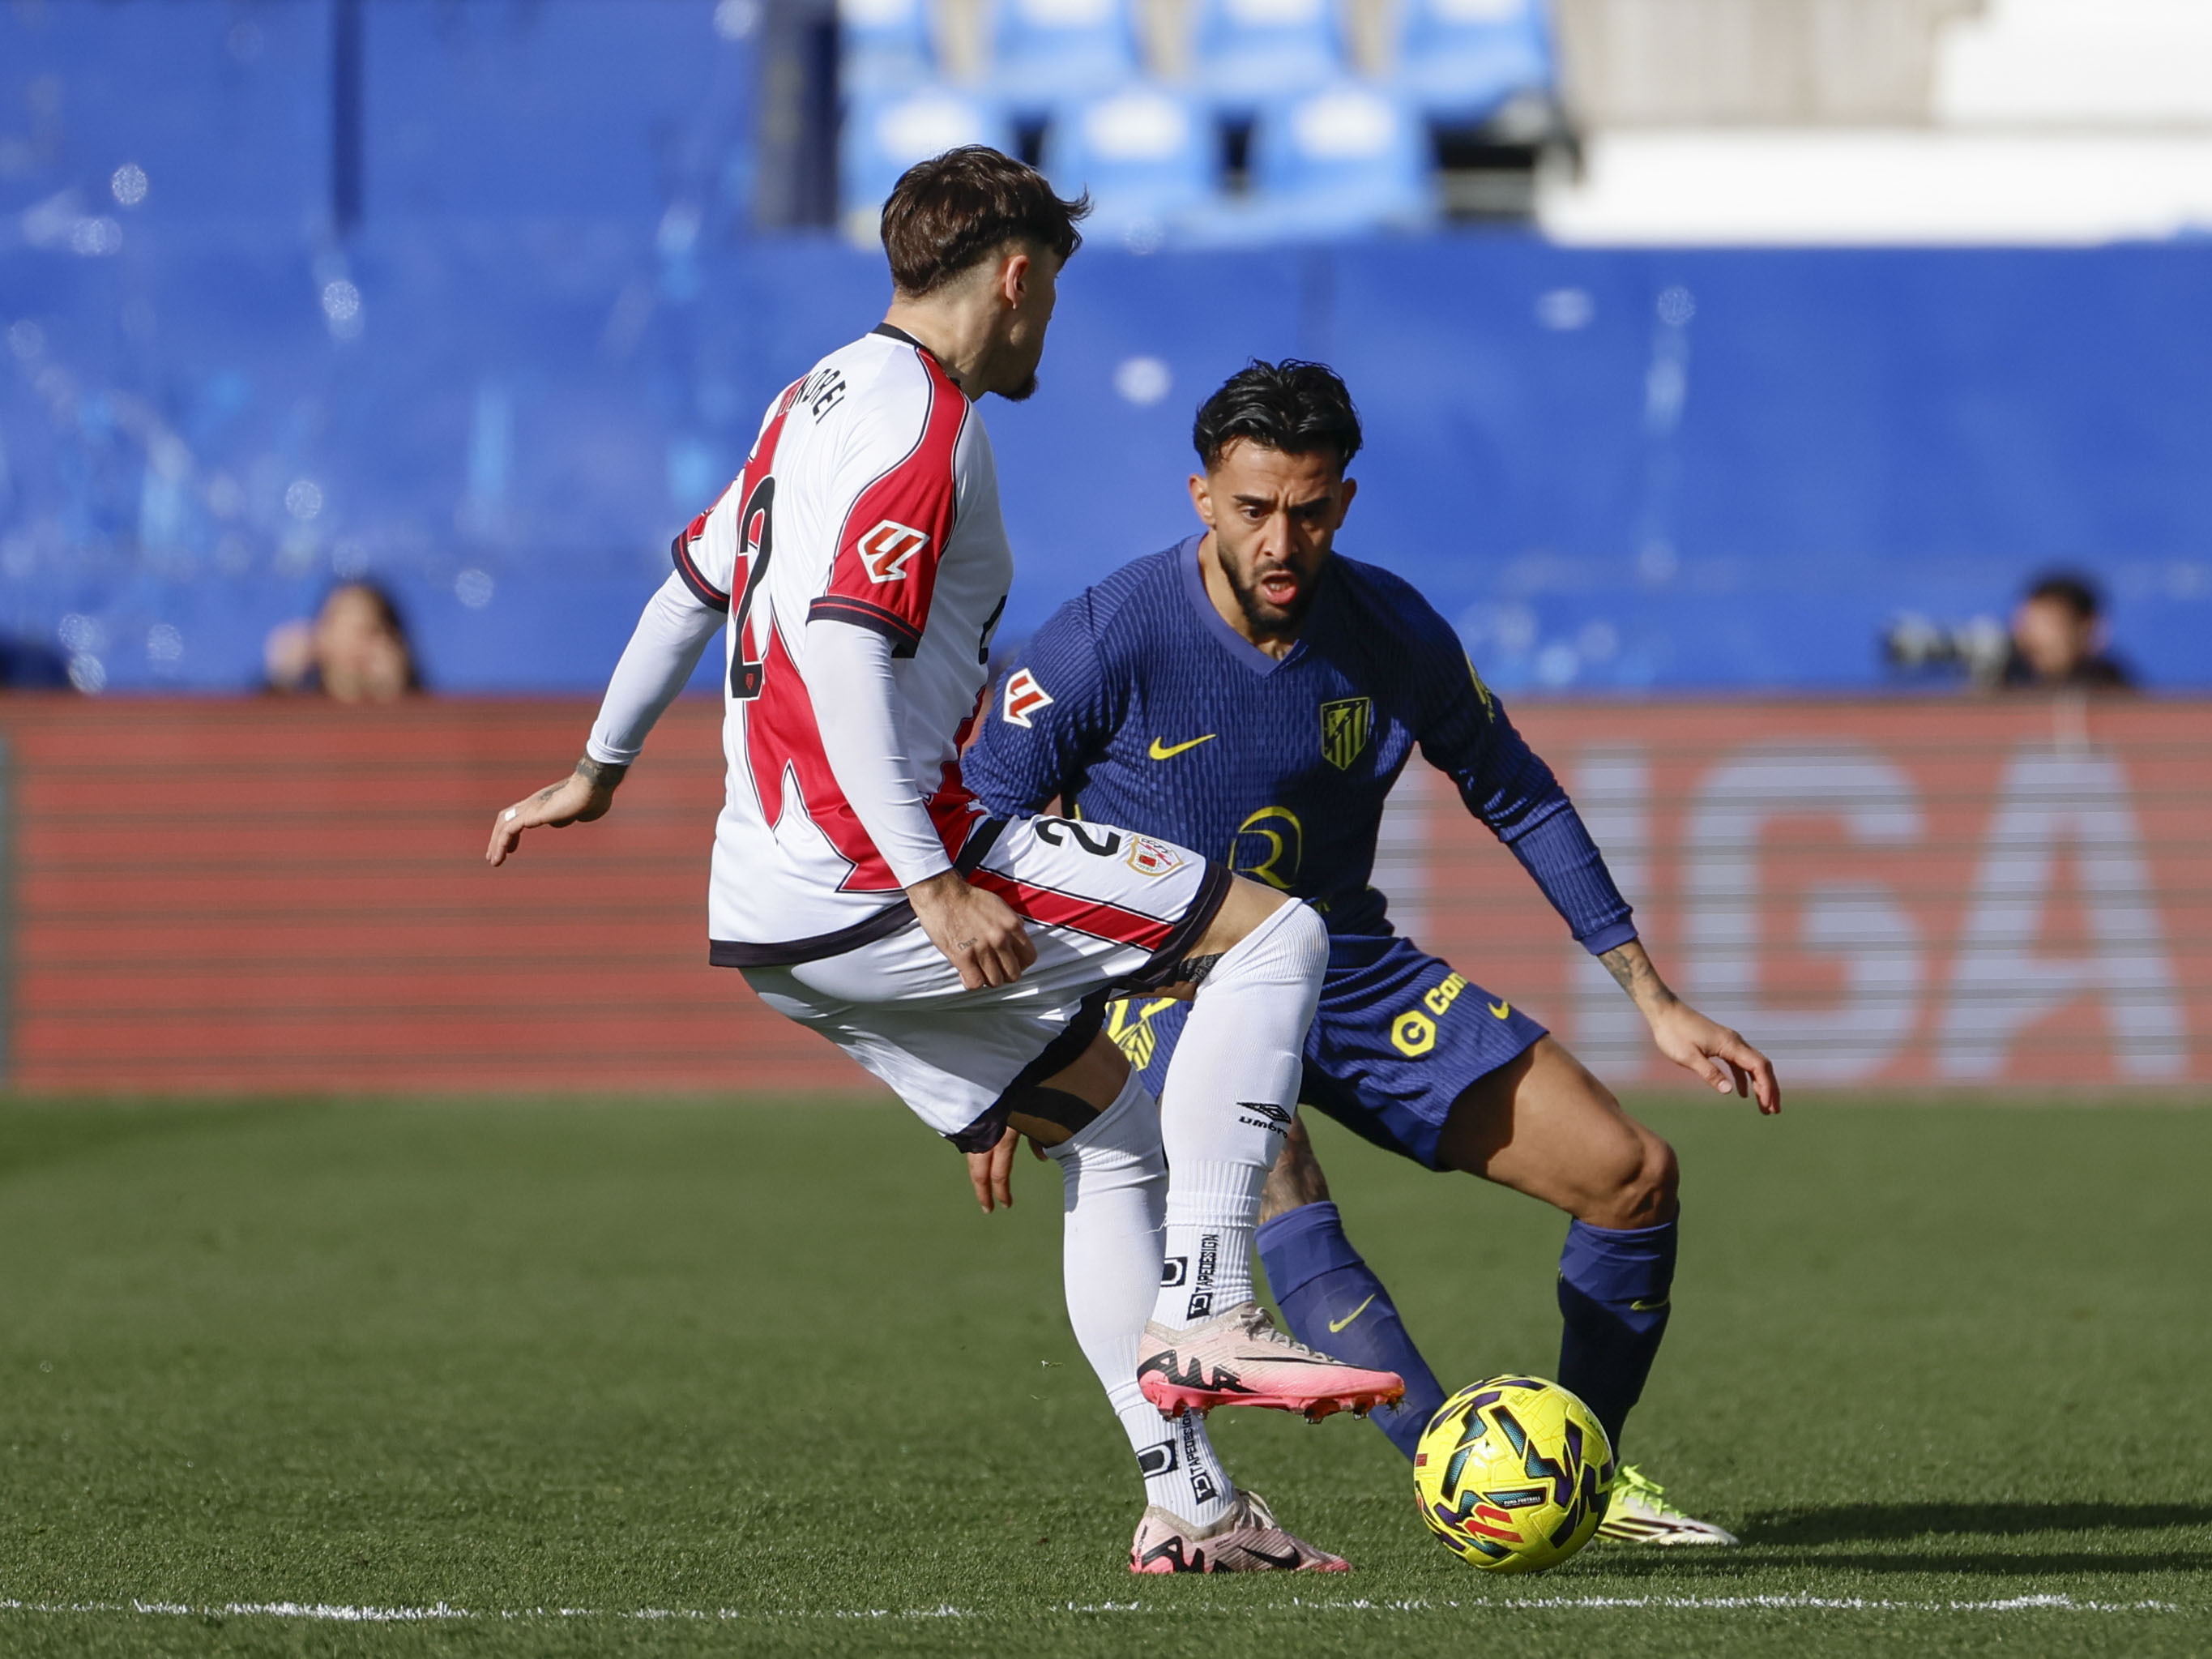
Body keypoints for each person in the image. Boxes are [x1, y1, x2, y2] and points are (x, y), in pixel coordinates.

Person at [482, 151, 1400, 1576]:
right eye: (1052, 296)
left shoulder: (813, 400)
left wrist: (601, 768)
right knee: (1275, 938)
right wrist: (930, 880)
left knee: (1113, 1134)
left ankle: (1192, 1504)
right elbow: (845, 640)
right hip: (875, 873)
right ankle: (1214, 1298)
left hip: (767, 908)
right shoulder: (925, 422)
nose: (1047, 331)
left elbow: (691, 586)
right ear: (1017, 275)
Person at [961, 360, 1782, 1548]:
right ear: (1201, 496)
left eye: (1306, 507)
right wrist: (998, 1060)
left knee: (1631, 1174)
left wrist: (1650, 994)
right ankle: (1466, 1473)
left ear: (1342, 499)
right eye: (1252, 509)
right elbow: (979, 828)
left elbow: (1521, 793)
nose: (1279, 538)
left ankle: (1575, 1483)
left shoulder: (1389, 628)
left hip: (1342, 961)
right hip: (1166, 978)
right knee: (1276, 1167)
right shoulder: (1107, 634)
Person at [264, 580, 424, 700]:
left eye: (367, 631)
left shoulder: (410, 699)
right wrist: (281, 682)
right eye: (333, 622)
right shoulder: (296, 695)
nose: (350, 643)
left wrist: (394, 690)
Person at [1999, 571, 2135, 693]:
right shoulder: (2011, 685)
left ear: (2088, 628)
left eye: (2050, 624)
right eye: (2027, 626)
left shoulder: (2118, 696)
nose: (2034, 640)